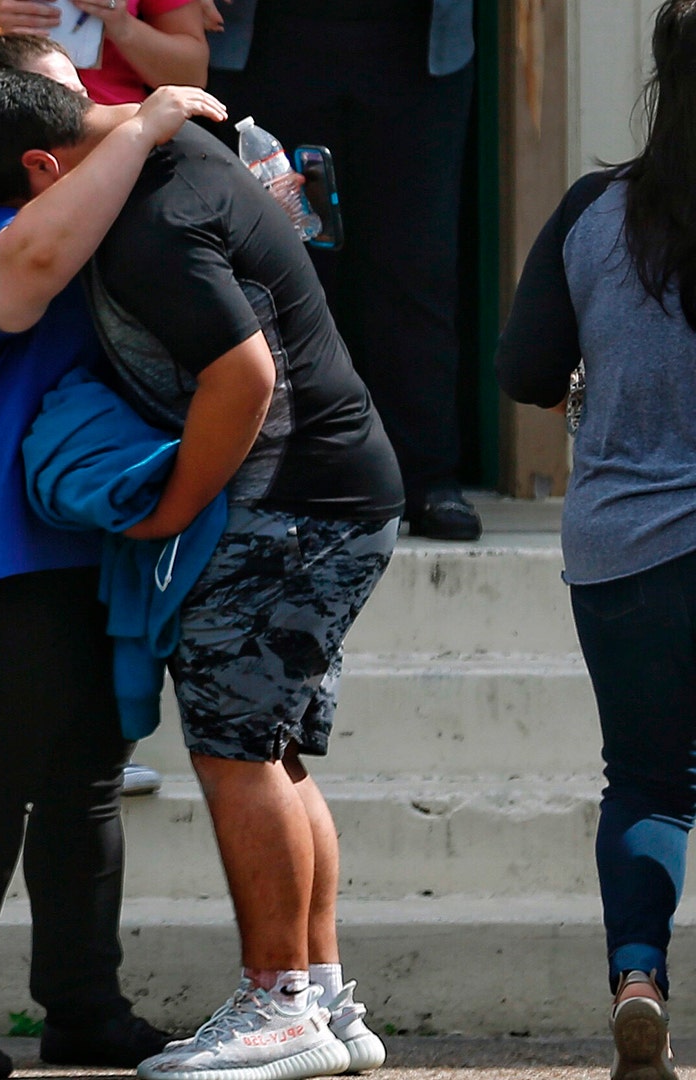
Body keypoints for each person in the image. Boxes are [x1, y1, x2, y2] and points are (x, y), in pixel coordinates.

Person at [8, 56, 399, 1080]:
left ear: (49, 169)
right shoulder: (171, 156)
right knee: (270, 750)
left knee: (234, 751)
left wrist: (174, 511)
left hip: (293, 504)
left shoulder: (148, 222)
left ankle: (280, 1006)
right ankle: (320, 997)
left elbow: (245, 373)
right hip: (340, 492)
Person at [0, 20, 224, 1076]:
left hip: (81, 554)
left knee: (87, 781)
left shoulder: (68, 210)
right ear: (34, 154)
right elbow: (36, 255)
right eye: (77, 116)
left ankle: (84, 1007)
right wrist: (155, 113)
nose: (101, 123)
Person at [0, 0, 209, 799]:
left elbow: (191, 70)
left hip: (111, 182)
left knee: (91, 433)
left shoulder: (114, 129)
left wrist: (118, 36)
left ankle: (105, 719)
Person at [497, 3, 696, 1076]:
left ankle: (637, 977)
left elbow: (524, 373)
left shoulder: (593, 210)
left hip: (628, 547)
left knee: (650, 781)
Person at [207, 0, 482, 541]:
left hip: (414, 50)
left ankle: (425, 477)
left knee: (416, 268)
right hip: (268, 42)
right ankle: (292, 476)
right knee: (278, 266)